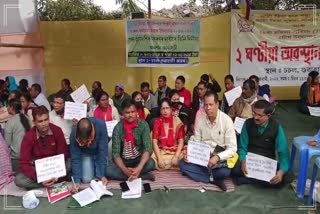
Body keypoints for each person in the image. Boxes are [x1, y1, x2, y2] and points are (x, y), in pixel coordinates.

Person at [179, 91, 237, 191]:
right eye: (206, 105)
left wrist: (217, 157)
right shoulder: (201, 120)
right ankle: (212, 179)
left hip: (218, 156)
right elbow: (196, 140)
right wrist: (190, 154)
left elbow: (232, 148)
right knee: (182, 164)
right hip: (202, 156)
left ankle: (203, 175)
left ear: (217, 104)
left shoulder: (226, 121)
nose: (208, 108)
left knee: (225, 172)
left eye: (211, 104)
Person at [232, 100, 293, 187]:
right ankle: (262, 181)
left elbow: (283, 152)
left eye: (259, 115)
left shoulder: (276, 127)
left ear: (268, 116)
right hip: (250, 161)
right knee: (234, 170)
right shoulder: (248, 124)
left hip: (267, 163)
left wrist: (281, 172)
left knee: (288, 175)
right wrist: (243, 160)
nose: (255, 117)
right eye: (254, 113)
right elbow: (242, 147)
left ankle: (247, 180)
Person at [14, 106, 70, 189]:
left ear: (49, 119)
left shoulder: (57, 130)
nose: (44, 124)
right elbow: (23, 162)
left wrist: (57, 171)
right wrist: (38, 177)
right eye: (40, 121)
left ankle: (54, 179)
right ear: (34, 122)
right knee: (19, 180)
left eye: (46, 120)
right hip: (39, 169)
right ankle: (49, 182)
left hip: (55, 165)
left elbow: (63, 153)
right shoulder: (29, 137)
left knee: (70, 163)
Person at [106, 99, 155, 181]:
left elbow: (147, 148)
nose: (130, 115)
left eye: (133, 112)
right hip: (124, 161)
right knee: (107, 170)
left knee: (151, 163)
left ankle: (134, 174)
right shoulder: (118, 128)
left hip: (138, 159)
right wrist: (125, 171)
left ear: (136, 112)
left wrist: (139, 168)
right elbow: (116, 154)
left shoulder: (143, 125)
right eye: (127, 112)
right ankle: (141, 176)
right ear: (122, 113)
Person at [70, 118, 109, 192]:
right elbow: (75, 157)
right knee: (86, 179)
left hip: (98, 151)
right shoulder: (74, 132)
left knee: (105, 171)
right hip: (86, 154)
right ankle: (93, 166)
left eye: (87, 140)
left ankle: (97, 170)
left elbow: (102, 151)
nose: (84, 142)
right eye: (82, 140)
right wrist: (77, 180)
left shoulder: (101, 125)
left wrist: (102, 175)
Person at [152, 98, 186, 170]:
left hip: (175, 150)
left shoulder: (177, 120)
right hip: (162, 151)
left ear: (171, 109)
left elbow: (181, 141)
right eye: (163, 109)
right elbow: (154, 142)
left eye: (167, 108)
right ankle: (171, 164)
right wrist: (159, 158)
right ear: (160, 110)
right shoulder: (157, 122)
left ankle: (167, 164)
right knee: (151, 156)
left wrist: (176, 156)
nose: (165, 111)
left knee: (187, 154)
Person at [5, 99, 32, 172]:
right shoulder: (28, 118)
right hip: (30, 155)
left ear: (12, 108)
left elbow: (7, 143)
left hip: (17, 158)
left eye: (8, 106)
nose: (7, 108)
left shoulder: (10, 122)